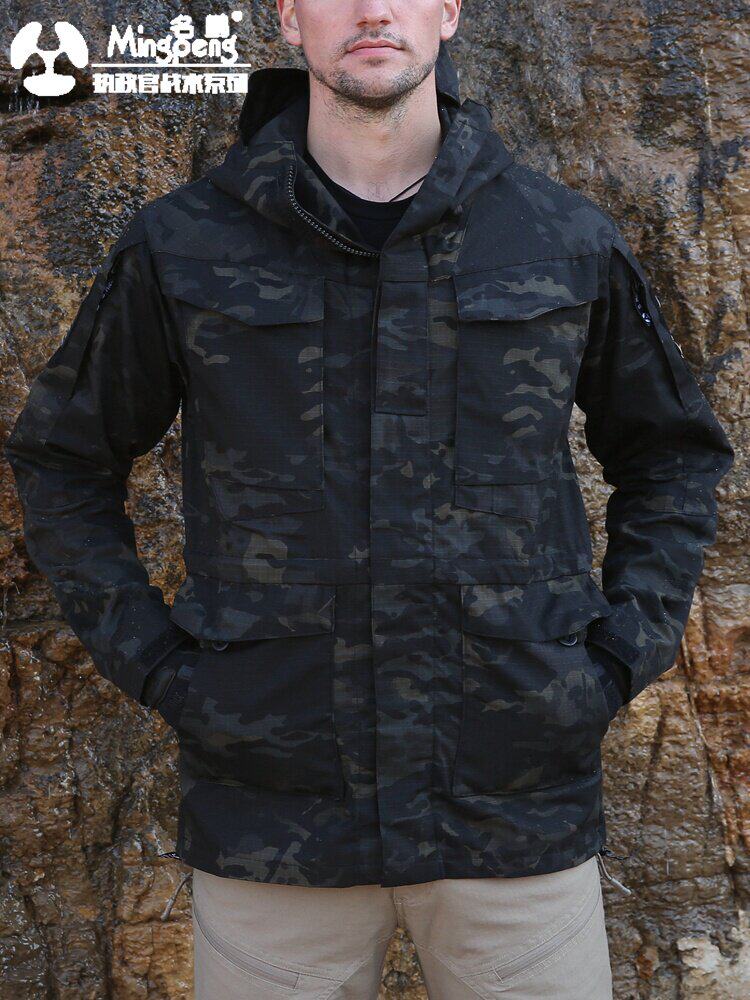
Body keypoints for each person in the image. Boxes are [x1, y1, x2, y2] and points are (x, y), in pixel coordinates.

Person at [4, 1, 734, 997]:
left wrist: (609, 665)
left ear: (450, 11)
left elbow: (673, 453)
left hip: (514, 814)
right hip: (274, 822)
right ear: (288, 15)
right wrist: (167, 673)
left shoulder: (557, 236)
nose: (374, 10)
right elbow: (62, 459)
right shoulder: (185, 244)